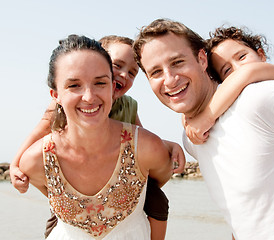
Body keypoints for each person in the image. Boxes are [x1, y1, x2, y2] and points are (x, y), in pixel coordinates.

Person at [133, 18, 274, 239]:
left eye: (177, 62)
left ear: (202, 60)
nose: (170, 79)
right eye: (156, 72)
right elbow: (246, 213)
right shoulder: (192, 139)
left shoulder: (260, 99)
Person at [10, 35, 185, 240]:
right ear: (56, 95)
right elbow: (39, 131)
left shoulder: (142, 137)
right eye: (74, 85)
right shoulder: (37, 160)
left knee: (157, 201)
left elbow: (140, 137)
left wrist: (166, 145)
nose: (89, 97)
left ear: (110, 85)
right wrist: (15, 164)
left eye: (100, 82)